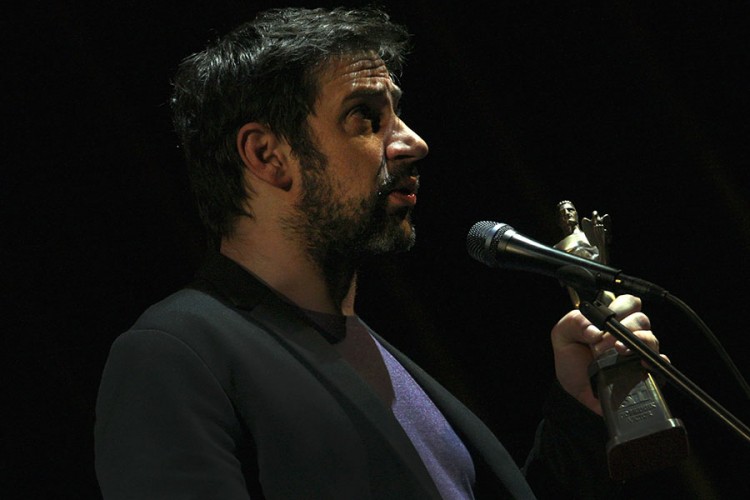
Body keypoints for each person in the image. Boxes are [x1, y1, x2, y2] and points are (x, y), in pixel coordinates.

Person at [94, 6, 662, 499]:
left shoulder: (372, 352)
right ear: (268, 155)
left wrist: (579, 408)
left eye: (396, 112)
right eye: (365, 116)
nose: (414, 142)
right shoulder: (175, 355)